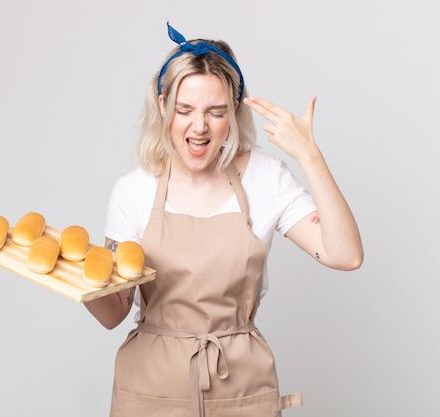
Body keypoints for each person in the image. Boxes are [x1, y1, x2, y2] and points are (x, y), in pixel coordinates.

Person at [84, 22, 363, 417]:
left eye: (215, 112)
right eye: (184, 110)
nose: (199, 127)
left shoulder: (265, 178)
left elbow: (345, 254)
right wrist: (76, 274)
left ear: (233, 110)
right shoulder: (134, 190)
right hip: (149, 391)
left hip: (240, 388)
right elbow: (114, 313)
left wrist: (310, 157)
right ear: (163, 106)